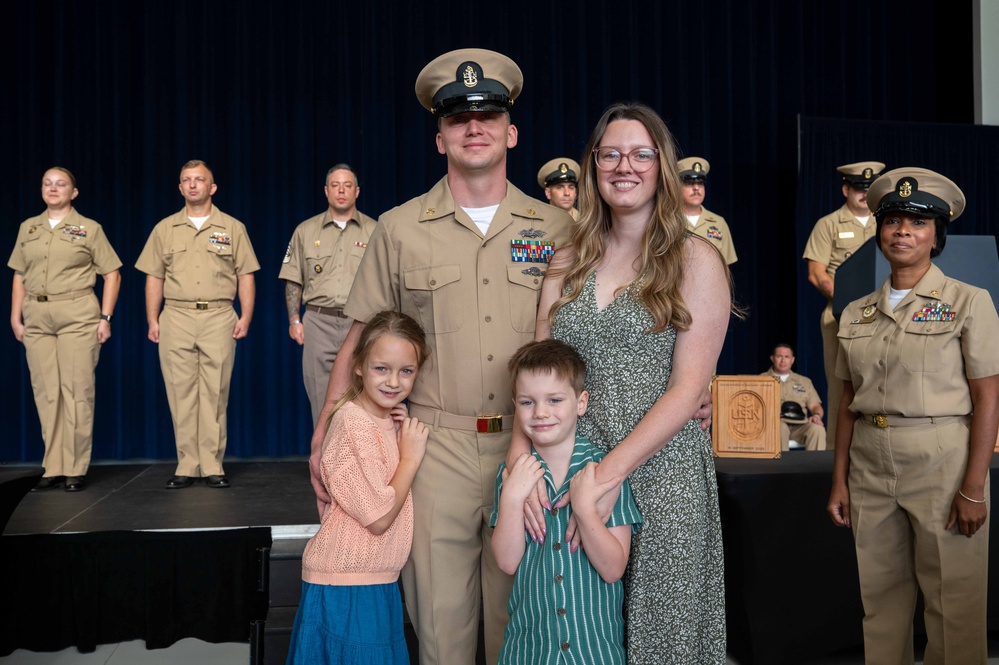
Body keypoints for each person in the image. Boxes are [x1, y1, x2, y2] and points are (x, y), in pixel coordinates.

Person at [310, 49, 573, 665]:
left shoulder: (557, 230)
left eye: (487, 114)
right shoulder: (399, 229)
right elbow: (361, 338)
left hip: (532, 447)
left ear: (511, 131)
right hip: (432, 450)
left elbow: (582, 340)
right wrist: (324, 434)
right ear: (439, 138)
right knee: (440, 633)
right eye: (458, 118)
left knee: (524, 632)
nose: (473, 127)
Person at [512, 102, 734, 663]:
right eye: (609, 153)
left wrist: (606, 479)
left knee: (661, 644)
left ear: (663, 166)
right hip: (571, 474)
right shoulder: (565, 262)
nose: (623, 166)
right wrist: (522, 468)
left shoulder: (696, 260)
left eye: (640, 154)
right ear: (592, 165)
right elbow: (535, 371)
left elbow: (688, 391)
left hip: (661, 482)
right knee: (577, 638)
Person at [827, 168, 999, 664]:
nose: (903, 231)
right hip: (869, 462)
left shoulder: (968, 302)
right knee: (879, 599)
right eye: (894, 221)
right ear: (879, 231)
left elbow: (988, 397)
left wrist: (974, 486)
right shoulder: (857, 311)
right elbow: (846, 402)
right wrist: (839, 481)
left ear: (936, 237)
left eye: (918, 223)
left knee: (954, 599)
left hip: (941, 458)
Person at [287, 311, 430, 665]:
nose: (394, 381)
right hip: (346, 585)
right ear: (359, 366)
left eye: (406, 371)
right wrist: (410, 458)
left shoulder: (386, 419)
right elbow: (378, 517)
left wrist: (399, 437)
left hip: (374, 580)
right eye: (382, 368)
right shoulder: (352, 421)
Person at [491, 339, 641, 665]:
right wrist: (513, 497)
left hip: (594, 651)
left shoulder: (605, 474)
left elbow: (614, 568)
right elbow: (507, 561)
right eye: (528, 402)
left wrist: (585, 510)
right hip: (530, 649)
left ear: (581, 402)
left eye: (555, 400)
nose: (541, 412)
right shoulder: (512, 475)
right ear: (515, 406)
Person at [135, 160, 260, 489]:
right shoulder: (165, 229)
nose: (193, 185)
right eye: (186, 180)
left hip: (218, 315)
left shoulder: (232, 227)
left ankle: (213, 464)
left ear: (212, 187)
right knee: (181, 392)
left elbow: (245, 274)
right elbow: (154, 277)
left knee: (215, 392)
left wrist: (245, 316)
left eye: (199, 180)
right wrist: (152, 318)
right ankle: (187, 464)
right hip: (175, 315)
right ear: (180, 188)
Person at [8, 167, 122, 492]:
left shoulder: (89, 228)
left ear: (74, 192)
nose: (53, 188)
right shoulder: (28, 228)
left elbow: (112, 273)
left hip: (76, 313)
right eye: (47, 183)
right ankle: (53, 466)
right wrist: (16, 317)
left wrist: (105, 318)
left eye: (61, 184)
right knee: (47, 392)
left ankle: (75, 466)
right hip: (37, 314)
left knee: (76, 391)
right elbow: (19, 274)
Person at [279, 164, 378, 427]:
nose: (341, 190)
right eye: (335, 185)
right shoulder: (306, 231)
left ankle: (356, 464)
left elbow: (384, 281)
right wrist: (293, 320)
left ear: (357, 191)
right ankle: (323, 464)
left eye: (347, 185)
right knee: (321, 396)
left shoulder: (375, 230)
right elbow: (293, 278)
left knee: (363, 395)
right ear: (326, 191)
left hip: (360, 322)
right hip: (318, 322)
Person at [803, 161, 885, 449]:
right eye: (859, 189)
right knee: (842, 389)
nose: (865, 195)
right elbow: (816, 273)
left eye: (870, 189)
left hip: (887, 318)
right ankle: (835, 458)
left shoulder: (888, 222)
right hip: (841, 318)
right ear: (846, 190)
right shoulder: (828, 225)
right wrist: (850, 306)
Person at [760, 343, 825, 451]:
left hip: (800, 425)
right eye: (779, 356)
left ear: (792, 360)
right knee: (780, 428)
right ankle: (781, 467)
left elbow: (815, 405)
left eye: (787, 357)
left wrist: (817, 416)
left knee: (818, 429)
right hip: (775, 426)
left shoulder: (804, 381)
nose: (783, 361)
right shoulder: (761, 379)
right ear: (772, 358)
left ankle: (815, 466)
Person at [677, 156, 737, 265]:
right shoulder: (667, 221)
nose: (696, 188)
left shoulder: (718, 223)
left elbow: (726, 269)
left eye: (700, 183)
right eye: (690, 183)